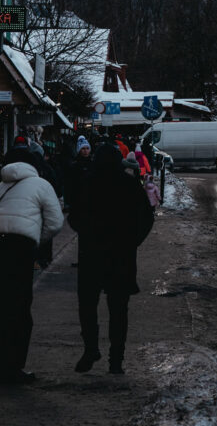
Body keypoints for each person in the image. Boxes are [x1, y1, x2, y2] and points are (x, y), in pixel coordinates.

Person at [68, 143, 154, 375]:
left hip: (91, 254)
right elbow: (146, 217)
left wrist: (87, 232)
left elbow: (73, 215)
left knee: (87, 304)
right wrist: (133, 241)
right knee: (118, 309)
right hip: (121, 256)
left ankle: (90, 348)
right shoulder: (128, 184)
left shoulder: (87, 182)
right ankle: (116, 359)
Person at [0, 160, 64, 385]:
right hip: (20, 245)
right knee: (21, 305)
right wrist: (36, 239)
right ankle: (15, 366)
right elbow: (55, 222)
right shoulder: (42, 184)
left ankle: (0, 365)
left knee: (3, 304)